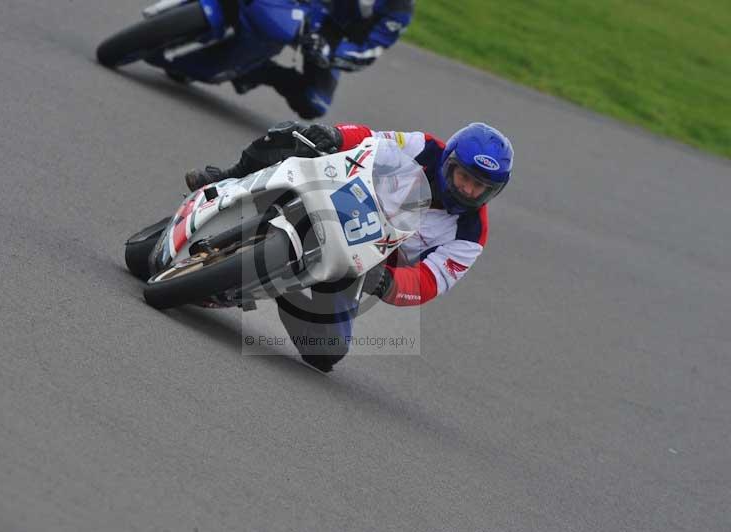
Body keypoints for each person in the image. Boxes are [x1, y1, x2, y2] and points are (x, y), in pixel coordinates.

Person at [186, 120, 514, 371]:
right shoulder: (426, 147)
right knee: (293, 134)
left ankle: (277, 291)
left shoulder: (471, 234)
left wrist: (389, 284)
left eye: (480, 187)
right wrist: (337, 135)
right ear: (449, 163)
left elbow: (430, 281)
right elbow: (374, 140)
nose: (469, 191)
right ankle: (225, 179)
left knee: (326, 353)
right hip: (340, 201)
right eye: (465, 178)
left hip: (364, 264)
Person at [232, 0, 415, 119]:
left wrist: (330, 52)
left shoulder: (400, 10)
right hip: (304, 4)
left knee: (314, 103)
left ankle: (256, 70)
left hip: (328, 37)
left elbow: (368, 50)